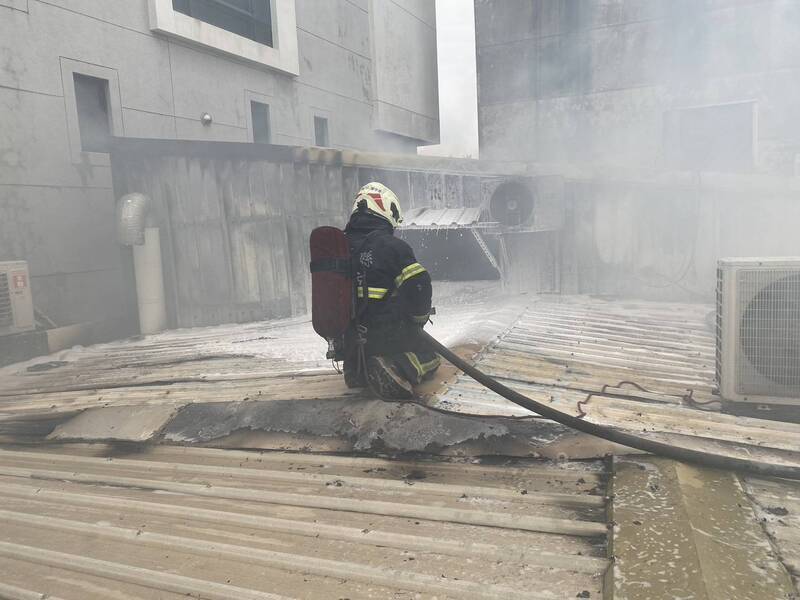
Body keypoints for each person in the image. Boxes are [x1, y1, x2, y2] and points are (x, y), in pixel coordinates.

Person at [343, 182, 440, 399]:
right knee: (430, 356)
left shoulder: (339, 245)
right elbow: (419, 285)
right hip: (386, 334)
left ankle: (356, 369)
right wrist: (418, 319)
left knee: (364, 350)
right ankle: (397, 366)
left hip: (348, 337)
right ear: (386, 209)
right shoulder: (392, 246)